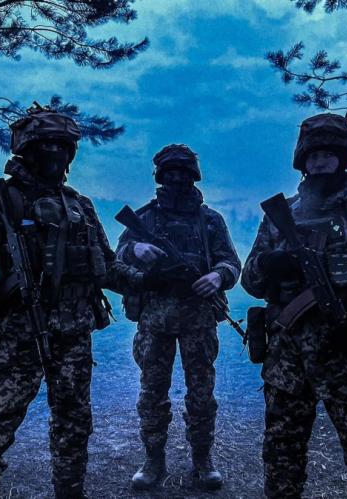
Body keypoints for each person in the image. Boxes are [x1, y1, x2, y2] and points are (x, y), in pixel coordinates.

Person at [0, 105, 141, 499]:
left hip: (73, 336)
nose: (54, 153)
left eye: (62, 146)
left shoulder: (79, 205)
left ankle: (70, 491)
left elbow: (104, 266)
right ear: (26, 149)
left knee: (74, 424)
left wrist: (148, 281)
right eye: (45, 145)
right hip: (17, 335)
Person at [241, 113, 347, 498]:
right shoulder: (279, 217)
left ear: (343, 158)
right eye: (313, 155)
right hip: (287, 359)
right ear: (302, 160)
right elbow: (249, 282)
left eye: (328, 154)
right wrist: (267, 265)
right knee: (281, 457)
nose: (320, 162)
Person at [115, 144, 241, 491]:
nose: (176, 179)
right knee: (152, 393)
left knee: (202, 394)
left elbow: (231, 262)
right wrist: (135, 249)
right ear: (160, 176)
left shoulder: (210, 220)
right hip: (155, 320)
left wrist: (217, 276)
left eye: (182, 173)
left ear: (193, 176)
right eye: (169, 173)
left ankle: (203, 459)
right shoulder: (144, 218)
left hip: (198, 319)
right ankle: (153, 460)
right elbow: (116, 259)